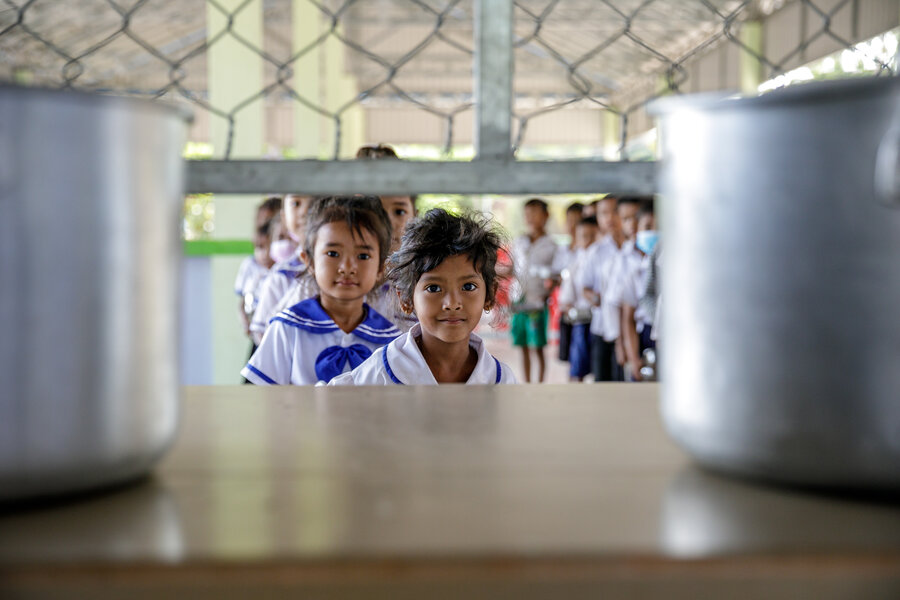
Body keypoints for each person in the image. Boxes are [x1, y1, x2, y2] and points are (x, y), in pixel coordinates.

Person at [328, 208, 515, 385]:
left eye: (468, 286)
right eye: (434, 288)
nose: (452, 304)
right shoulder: (379, 375)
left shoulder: (501, 380)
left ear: (489, 295)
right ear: (406, 299)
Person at [242, 196, 400, 385]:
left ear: (381, 267)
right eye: (333, 253)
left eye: (363, 255)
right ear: (308, 260)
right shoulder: (287, 329)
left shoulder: (391, 340)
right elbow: (265, 401)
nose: (347, 267)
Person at [250, 193, 316, 345]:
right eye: (296, 203)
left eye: (315, 202)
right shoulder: (281, 275)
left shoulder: (350, 269)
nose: (305, 211)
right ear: (284, 216)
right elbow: (262, 334)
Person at [508, 198, 559, 383]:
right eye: (527, 214)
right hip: (519, 298)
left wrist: (549, 289)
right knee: (522, 344)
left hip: (537, 300)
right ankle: (527, 382)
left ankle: (540, 383)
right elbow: (513, 267)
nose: (530, 218)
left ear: (546, 216)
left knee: (537, 345)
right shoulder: (519, 242)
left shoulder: (551, 245)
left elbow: (556, 275)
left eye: (534, 213)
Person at [582, 194, 623, 381]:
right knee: (604, 382)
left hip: (631, 327)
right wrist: (596, 299)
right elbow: (586, 288)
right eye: (603, 213)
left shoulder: (636, 247)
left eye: (614, 211)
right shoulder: (595, 252)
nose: (609, 218)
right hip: (603, 326)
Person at [619, 198, 658, 381]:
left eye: (659, 227)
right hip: (646, 336)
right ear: (638, 232)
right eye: (648, 227)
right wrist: (634, 358)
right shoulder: (635, 272)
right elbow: (628, 319)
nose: (655, 233)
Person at [558, 216, 598, 381]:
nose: (587, 240)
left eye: (592, 235)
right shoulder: (575, 261)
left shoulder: (600, 258)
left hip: (598, 320)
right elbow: (567, 294)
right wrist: (568, 307)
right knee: (578, 366)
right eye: (583, 236)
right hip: (581, 319)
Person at [235, 221, 275, 356]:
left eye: (269, 247)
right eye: (260, 247)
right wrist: (245, 322)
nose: (265, 253)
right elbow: (242, 302)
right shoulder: (250, 267)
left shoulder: (280, 273)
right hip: (256, 331)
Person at [554, 201, 584, 363]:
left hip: (583, 311)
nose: (572, 226)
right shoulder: (563, 250)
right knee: (568, 356)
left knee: (582, 354)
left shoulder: (586, 251)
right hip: (566, 309)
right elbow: (556, 275)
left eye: (576, 221)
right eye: (569, 221)